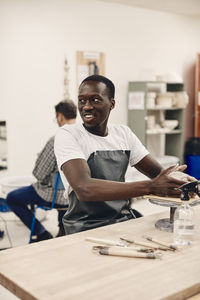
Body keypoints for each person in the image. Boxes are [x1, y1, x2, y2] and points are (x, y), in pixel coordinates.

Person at [54, 75, 189, 235]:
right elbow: (84, 188)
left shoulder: (123, 133)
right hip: (85, 227)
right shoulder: (68, 134)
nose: (87, 107)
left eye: (95, 100)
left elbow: (159, 174)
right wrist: (150, 187)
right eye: (82, 101)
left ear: (112, 104)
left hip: (121, 220)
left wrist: (183, 183)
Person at [7, 100, 77, 242]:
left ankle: (41, 232)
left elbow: (39, 174)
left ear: (60, 116)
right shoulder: (84, 137)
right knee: (64, 198)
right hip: (75, 195)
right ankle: (63, 228)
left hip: (53, 197)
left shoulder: (56, 140)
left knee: (12, 198)